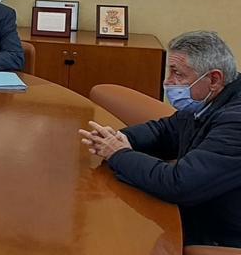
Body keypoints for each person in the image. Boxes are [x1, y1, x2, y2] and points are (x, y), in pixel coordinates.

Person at [79, 31, 241, 247]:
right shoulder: (209, 99)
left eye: (178, 74)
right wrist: (119, 138)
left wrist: (118, 153)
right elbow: (165, 131)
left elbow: (179, 184)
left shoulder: (235, 122)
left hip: (219, 236)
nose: (169, 82)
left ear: (213, 79)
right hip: (198, 212)